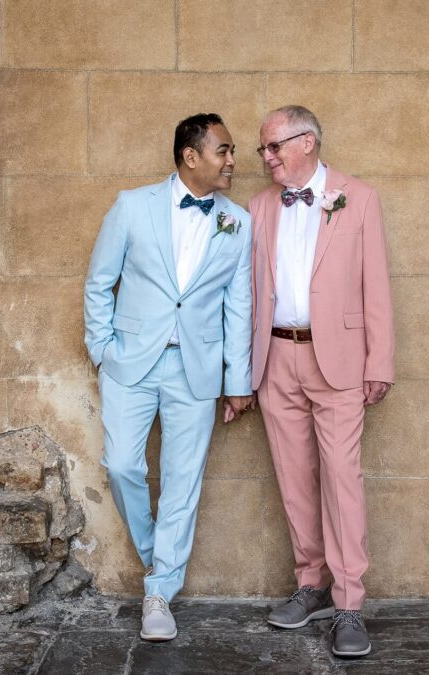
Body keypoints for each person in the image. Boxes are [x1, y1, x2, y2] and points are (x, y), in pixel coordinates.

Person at [83, 113, 253, 642]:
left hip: (196, 369)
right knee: (122, 465)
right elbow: (99, 283)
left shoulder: (238, 222)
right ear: (190, 156)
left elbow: (239, 305)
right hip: (131, 361)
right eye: (223, 150)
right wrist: (102, 351)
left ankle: (159, 590)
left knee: (183, 481)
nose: (232, 161)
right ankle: (161, 553)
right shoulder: (133, 206)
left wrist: (238, 379)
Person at [248, 105, 394, 658]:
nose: (265, 158)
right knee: (293, 477)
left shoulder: (358, 197)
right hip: (276, 357)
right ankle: (311, 585)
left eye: (273, 147)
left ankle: (350, 602)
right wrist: (242, 372)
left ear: (305, 142)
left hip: (339, 362)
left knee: (341, 477)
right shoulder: (259, 206)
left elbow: (375, 284)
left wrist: (379, 361)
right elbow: (248, 292)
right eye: (263, 149)